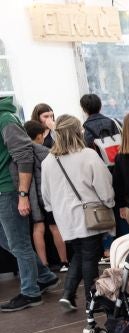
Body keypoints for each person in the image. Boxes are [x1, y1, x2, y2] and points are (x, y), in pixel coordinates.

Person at [40, 114, 114, 311]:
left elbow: (45, 195)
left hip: (64, 217)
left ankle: (68, 294)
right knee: (90, 256)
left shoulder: (48, 161)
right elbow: (103, 184)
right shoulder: (87, 155)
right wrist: (109, 202)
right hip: (88, 214)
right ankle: (93, 299)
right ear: (76, 132)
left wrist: (53, 209)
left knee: (80, 255)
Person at [0, 95, 59, 312]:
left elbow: (25, 155)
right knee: (8, 242)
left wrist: (23, 194)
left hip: (9, 191)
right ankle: (45, 277)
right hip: (2, 192)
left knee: (18, 244)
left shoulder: (5, 119)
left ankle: (30, 293)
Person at [23, 120, 68, 272]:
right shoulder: (46, 153)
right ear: (39, 136)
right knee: (55, 227)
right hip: (48, 196)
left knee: (38, 228)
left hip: (31, 197)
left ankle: (44, 265)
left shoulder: (21, 152)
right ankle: (64, 262)